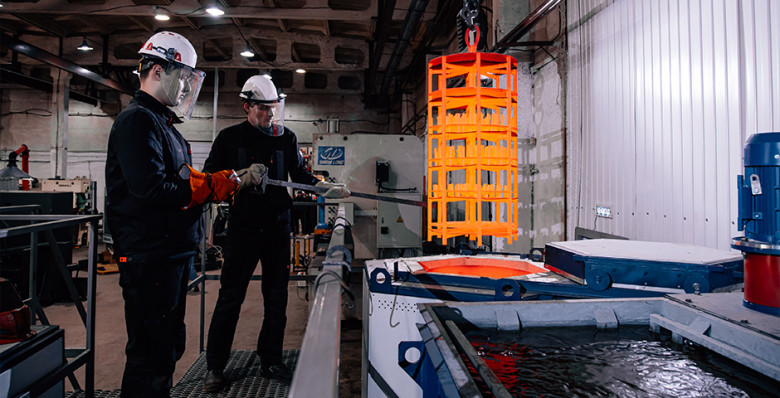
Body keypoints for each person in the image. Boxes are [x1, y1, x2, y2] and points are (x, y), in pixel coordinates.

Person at [105, 31, 255, 398]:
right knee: (149, 354)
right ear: (158, 70)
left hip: (168, 254)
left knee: (167, 348)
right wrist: (208, 188)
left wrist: (210, 183)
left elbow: (180, 179)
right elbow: (152, 188)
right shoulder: (137, 121)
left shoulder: (163, 124)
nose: (186, 87)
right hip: (149, 255)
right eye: (183, 77)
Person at [202, 76, 350, 391]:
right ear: (246, 106)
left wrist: (323, 186)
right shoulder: (229, 138)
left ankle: (271, 360)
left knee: (276, 298)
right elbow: (209, 180)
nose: (269, 114)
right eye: (262, 108)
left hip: (277, 228)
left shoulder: (286, 138)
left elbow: (300, 174)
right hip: (242, 228)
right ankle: (215, 366)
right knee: (230, 297)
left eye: (272, 108)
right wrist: (240, 177)